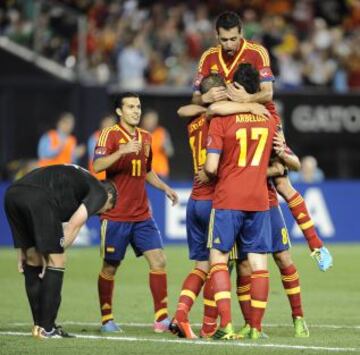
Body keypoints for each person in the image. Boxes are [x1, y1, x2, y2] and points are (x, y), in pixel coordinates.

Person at [193, 11, 332, 275]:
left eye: (234, 38)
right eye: (224, 39)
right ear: (217, 36)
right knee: (233, 175)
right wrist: (206, 97)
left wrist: (244, 102)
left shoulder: (258, 53)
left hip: (262, 117)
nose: (229, 45)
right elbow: (196, 100)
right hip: (229, 120)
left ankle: (316, 245)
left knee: (281, 180)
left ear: (241, 33)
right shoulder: (208, 58)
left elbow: (268, 93)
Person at [170, 73, 268, 339]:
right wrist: (248, 105)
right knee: (221, 265)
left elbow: (184, 109)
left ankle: (181, 315)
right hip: (219, 199)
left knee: (203, 266)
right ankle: (214, 325)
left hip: (195, 200)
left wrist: (204, 100)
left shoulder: (194, 119)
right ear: (219, 93)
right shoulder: (223, 119)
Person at [93, 92, 179, 334]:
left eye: (138, 106)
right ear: (119, 111)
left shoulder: (147, 137)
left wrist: (165, 187)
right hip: (115, 215)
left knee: (159, 261)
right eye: (130, 107)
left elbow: (147, 171)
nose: (136, 111)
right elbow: (97, 165)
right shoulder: (109, 135)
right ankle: (107, 319)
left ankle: (161, 319)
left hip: (142, 215)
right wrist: (122, 151)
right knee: (110, 267)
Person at [204, 63, 276, 340]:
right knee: (259, 264)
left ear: (235, 86)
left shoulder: (221, 120)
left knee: (219, 259)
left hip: (228, 196)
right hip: (259, 198)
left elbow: (211, 167)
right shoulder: (267, 118)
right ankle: (256, 328)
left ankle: (228, 325)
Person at [4, 164, 117, 339]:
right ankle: (48, 329)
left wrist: (24, 251)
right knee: (58, 261)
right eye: (107, 209)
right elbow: (72, 226)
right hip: (38, 197)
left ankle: (39, 326)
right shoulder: (100, 193)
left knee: (32, 260)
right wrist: (50, 255)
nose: (101, 214)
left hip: (13, 193)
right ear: (108, 196)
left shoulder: (82, 181)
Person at [141, 109, 174, 179]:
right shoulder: (137, 133)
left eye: (153, 120)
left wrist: (165, 148)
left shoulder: (162, 132)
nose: (150, 122)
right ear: (143, 119)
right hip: (142, 173)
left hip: (160, 173)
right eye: (148, 119)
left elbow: (170, 152)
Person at [87, 114, 117, 180]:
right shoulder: (94, 138)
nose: (109, 126)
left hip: (110, 178)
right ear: (102, 123)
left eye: (112, 124)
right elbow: (97, 157)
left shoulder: (115, 139)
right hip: (96, 177)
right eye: (107, 122)